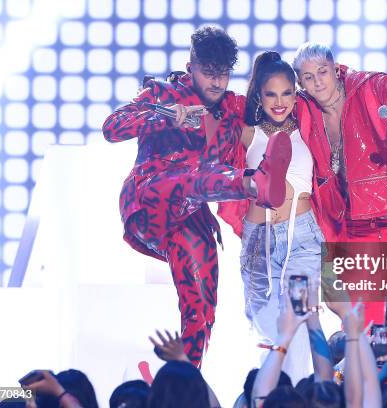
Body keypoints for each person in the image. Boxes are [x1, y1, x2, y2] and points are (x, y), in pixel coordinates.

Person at [102, 26, 291, 367]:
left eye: (223, 74)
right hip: (150, 198)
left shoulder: (232, 107)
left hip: (190, 216)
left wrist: (269, 68)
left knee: (201, 309)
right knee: (192, 178)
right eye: (209, 73)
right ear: (191, 67)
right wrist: (162, 117)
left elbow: (274, 103)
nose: (217, 83)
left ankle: (186, 381)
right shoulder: (162, 93)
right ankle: (254, 184)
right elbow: (112, 127)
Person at [292, 42, 387, 348]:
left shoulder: (368, 87)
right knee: (366, 323)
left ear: (335, 70)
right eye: (308, 77)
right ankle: (374, 386)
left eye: (323, 72)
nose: (318, 81)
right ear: (300, 82)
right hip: (355, 227)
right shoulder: (303, 109)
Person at [234, 51, 327, 383]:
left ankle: (299, 394)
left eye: (287, 93)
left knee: (299, 317)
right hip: (259, 238)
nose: (279, 102)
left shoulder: (309, 131)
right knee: (266, 324)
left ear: (297, 92)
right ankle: (274, 393)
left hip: (303, 239)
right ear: (259, 95)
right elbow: (206, 133)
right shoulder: (247, 134)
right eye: (271, 93)